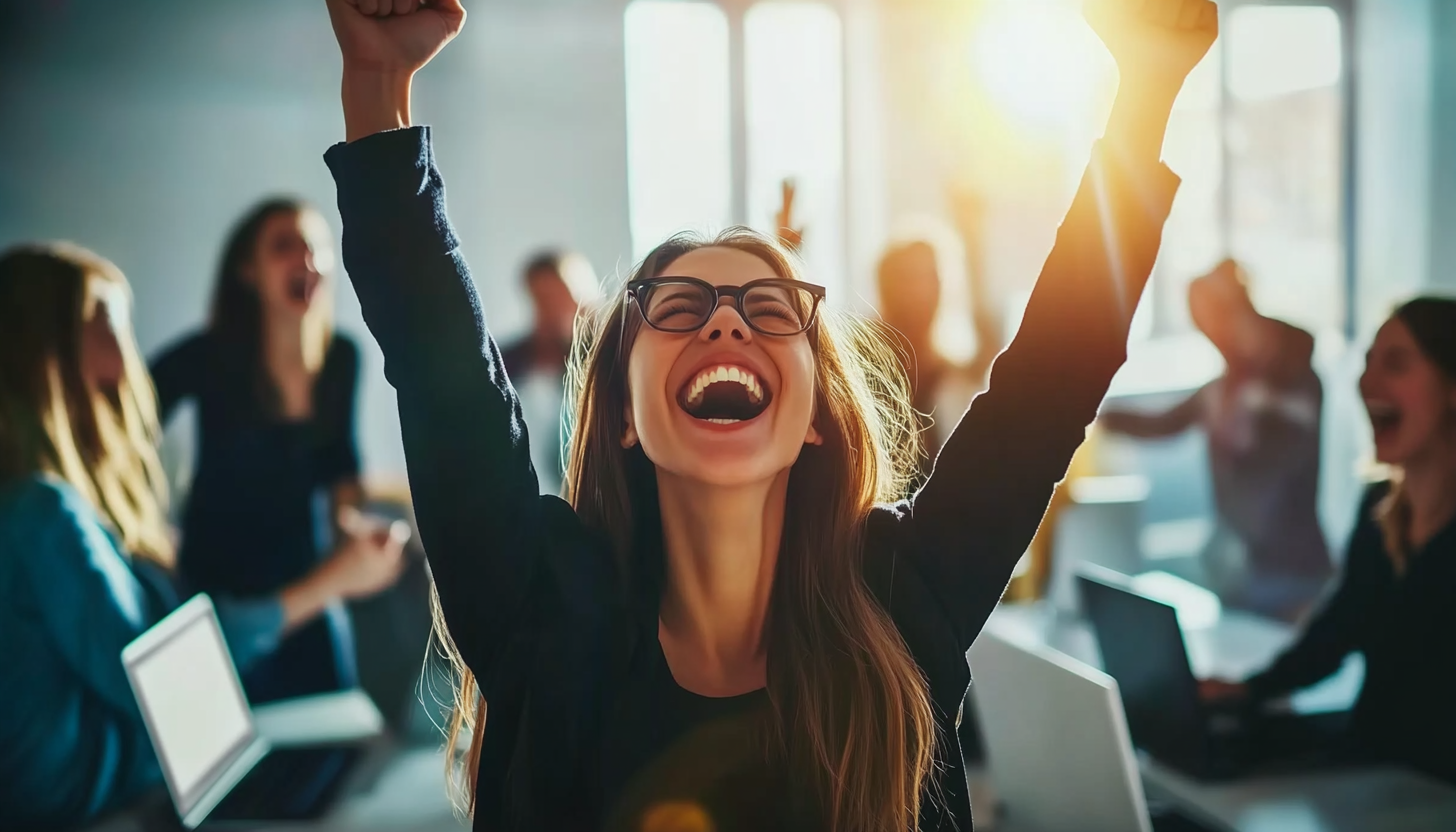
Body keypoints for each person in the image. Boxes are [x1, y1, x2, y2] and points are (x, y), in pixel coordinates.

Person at [321, 0, 1213, 829]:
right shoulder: (546, 602)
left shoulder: (898, 596)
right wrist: (377, 87)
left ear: (818, 415)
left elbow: (1053, 379)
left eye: (768, 308)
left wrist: (1148, 92)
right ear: (625, 413)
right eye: (678, 307)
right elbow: (441, 370)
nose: (723, 319)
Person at [0, 244, 409, 830]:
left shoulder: (339, 358)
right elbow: (161, 682)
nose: (130, 353)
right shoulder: (41, 512)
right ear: (50, 349)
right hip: (102, 801)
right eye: (112, 322)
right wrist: (329, 583)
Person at [1201, 298, 1456, 787]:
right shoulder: (1379, 509)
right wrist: (1247, 691)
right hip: (1371, 775)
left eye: (1396, 365)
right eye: (1368, 363)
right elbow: (1336, 633)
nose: (1367, 383)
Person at [150, 198, 380, 703]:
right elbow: (122, 424)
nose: (307, 260)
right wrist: (142, 527)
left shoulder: (342, 358)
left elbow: (341, 462)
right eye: (283, 246)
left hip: (310, 584)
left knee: (333, 740)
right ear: (247, 271)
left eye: (316, 247)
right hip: (221, 591)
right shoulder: (208, 356)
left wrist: (351, 527)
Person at [1100, 259, 1332, 620]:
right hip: (1235, 574)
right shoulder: (1221, 392)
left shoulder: (1297, 386)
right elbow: (1162, 424)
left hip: (1293, 576)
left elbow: (1280, 458)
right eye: (1205, 326)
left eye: (1221, 321)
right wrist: (1091, 414)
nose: (1216, 336)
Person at [499, 250, 598, 494]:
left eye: (558, 298)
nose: (550, 312)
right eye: (540, 300)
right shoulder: (507, 364)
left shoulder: (609, 365)